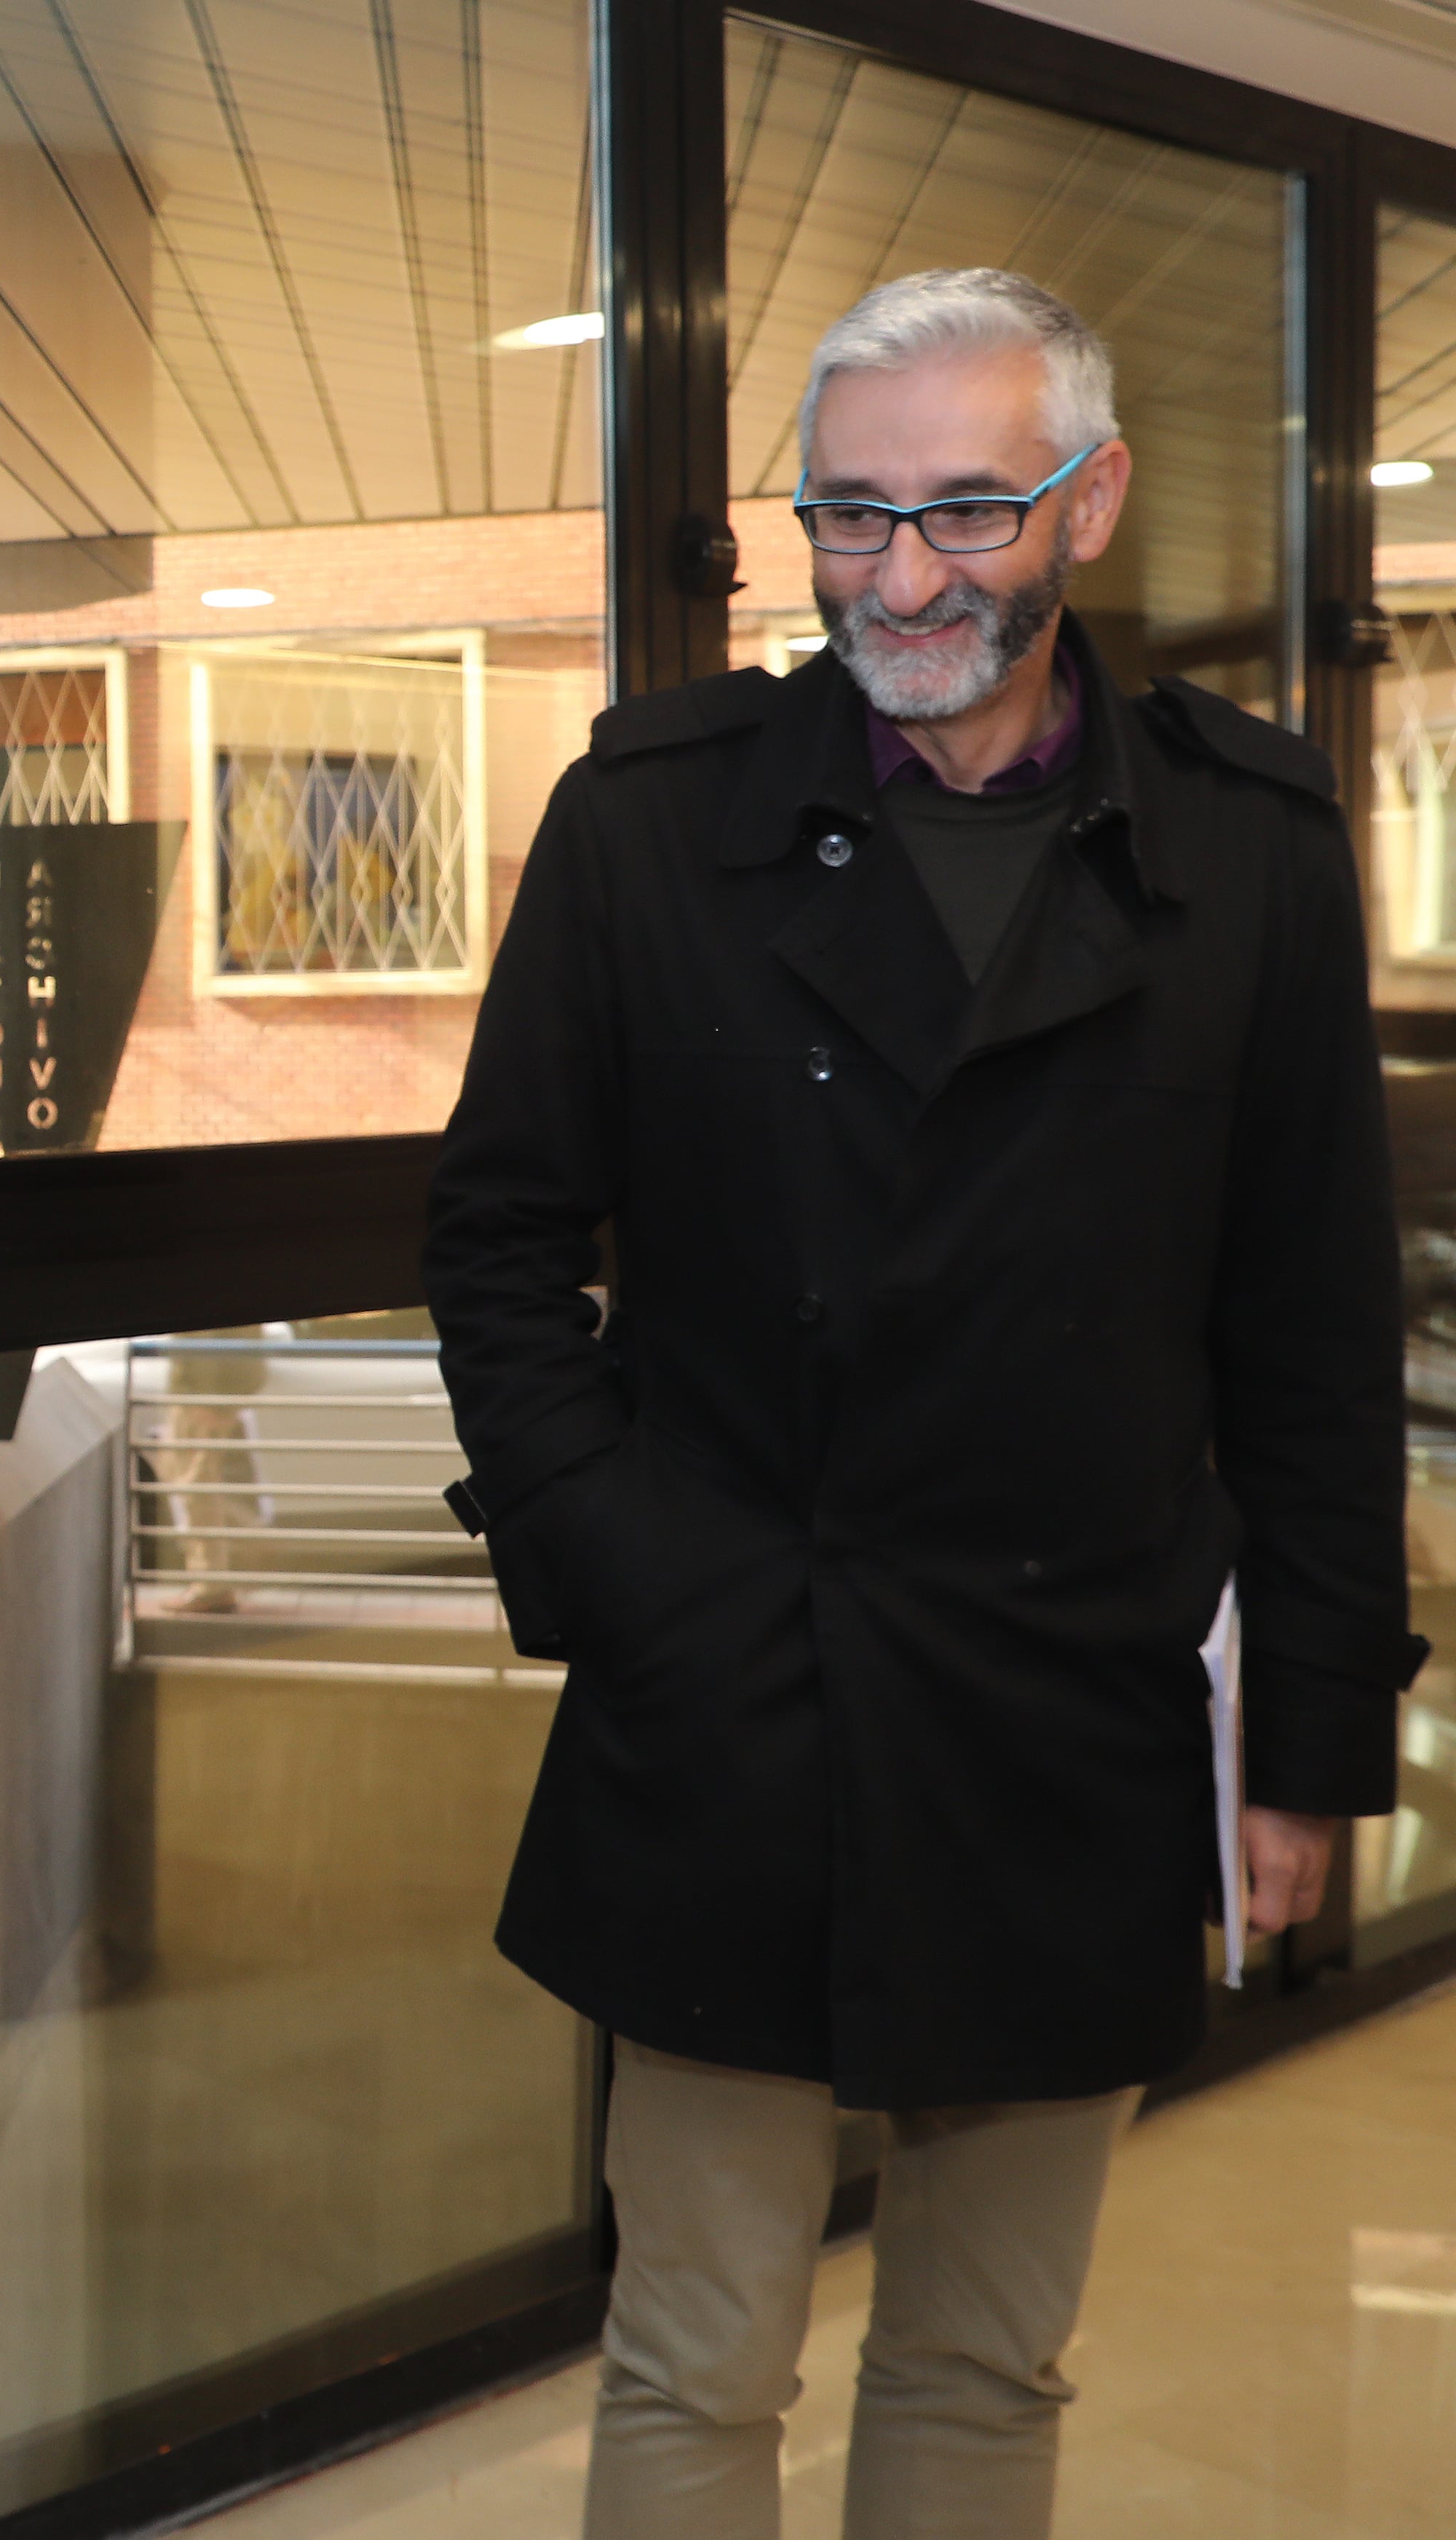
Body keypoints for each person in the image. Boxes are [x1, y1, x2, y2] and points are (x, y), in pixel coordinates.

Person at [426, 267, 1423, 2540]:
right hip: (730, 1697)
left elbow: (1308, 1335)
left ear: (1091, 505)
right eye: (848, 517)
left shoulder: (1247, 843)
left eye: (968, 511)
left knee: (987, 2359)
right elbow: (496, 1239)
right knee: (698, 2358)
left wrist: (1316, 1733)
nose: (899, 576)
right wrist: (621, 1564)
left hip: (1070, 1711)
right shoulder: (654, 813)